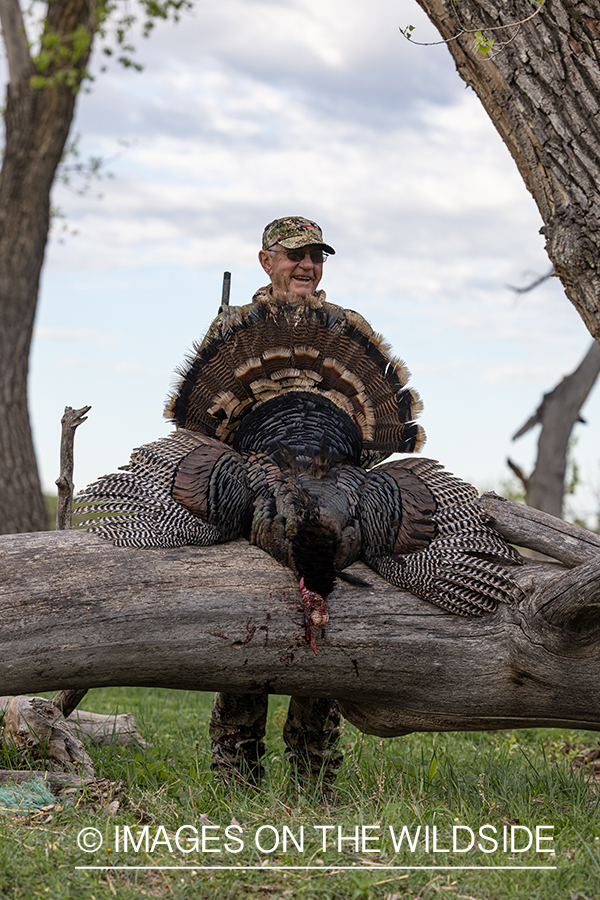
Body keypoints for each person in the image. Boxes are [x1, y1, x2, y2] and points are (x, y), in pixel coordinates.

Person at [209, 217, 343, 792]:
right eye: (295, 256)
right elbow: (208, 419)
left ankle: (313, 768)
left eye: (315, 256)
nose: (307, 266)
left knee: (325, 630)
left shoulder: (344, 327)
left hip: (325, 498)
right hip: (253, 496)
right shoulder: (234, 327)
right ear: (266, 261)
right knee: (248, 626)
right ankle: (237, 768)